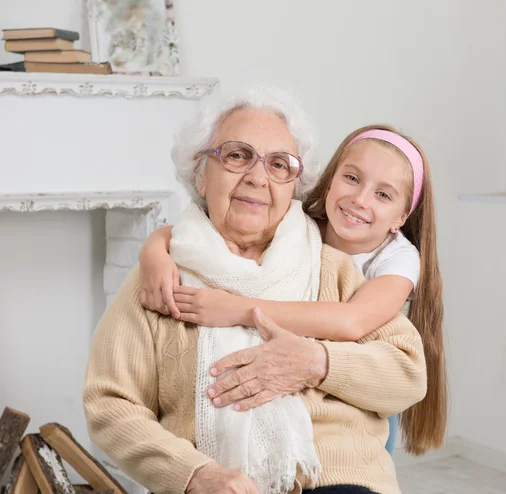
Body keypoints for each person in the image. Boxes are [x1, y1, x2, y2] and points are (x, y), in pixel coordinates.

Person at [84, 86, 427, 494]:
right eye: (236, 155)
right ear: (200, 173)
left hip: (338, 476)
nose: (257, 177)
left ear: (293, 184)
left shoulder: (330, 265)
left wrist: (319, 362)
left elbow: (407, 373)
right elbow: (110, 404)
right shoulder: (160, 280)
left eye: (279, 164)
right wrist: (195, 475)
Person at [139, 125, 446, 456]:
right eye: (352, 178)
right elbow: (196, 230)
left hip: (357, 389)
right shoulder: (303, 222)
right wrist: (154, 250)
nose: (359, 199)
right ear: (331, 178)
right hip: (298, 389)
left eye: (383, 194)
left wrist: (239, 309)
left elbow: (352, 322)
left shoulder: (398, 259)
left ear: (400, 216)